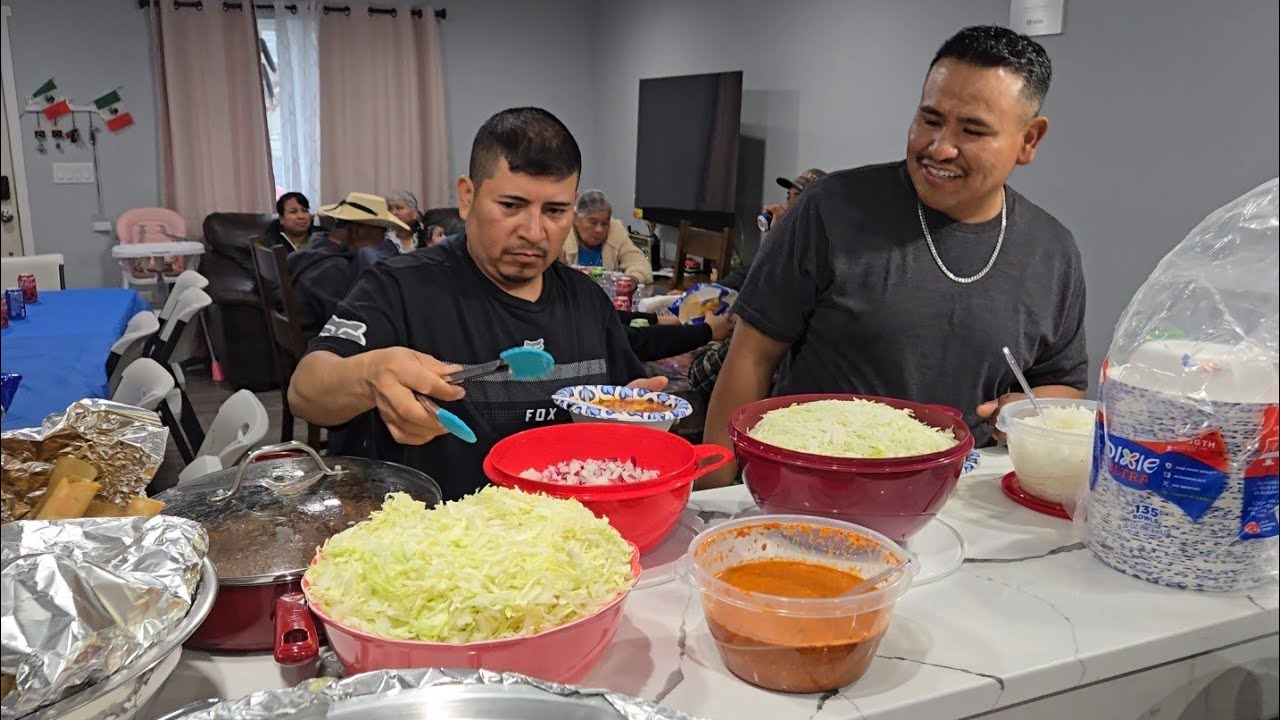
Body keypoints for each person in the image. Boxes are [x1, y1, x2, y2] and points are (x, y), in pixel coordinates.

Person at [702, 25, 1087, 487]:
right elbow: (751, 356)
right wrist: (715, 496)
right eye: (929, 119)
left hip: (958, 503)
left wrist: (1024, 413)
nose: (940, 147)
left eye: (973, 130)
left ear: (1029, 140)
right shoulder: (833, 207)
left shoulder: (1053, 251)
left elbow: (1060, 384)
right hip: (810, 492)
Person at [287, 107, 667, 500]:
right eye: (511, 206)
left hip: (565, 541)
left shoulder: (587, 301)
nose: (534, 232)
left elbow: (618, 406)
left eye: (555, 211)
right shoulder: (400, 287)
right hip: (438, 539)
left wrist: (630, 421)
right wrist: (371, 375)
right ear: (467, 197)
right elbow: (305, 392)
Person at [689, 168, 827, 400]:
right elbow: (742, 277)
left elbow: (703, 375)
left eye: (798, 199)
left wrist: (711, 337)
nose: (785, 207)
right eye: (788, 196)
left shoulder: (788, 289)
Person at [287, 191, 410, 340]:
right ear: (358, 230)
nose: (384, 236)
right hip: (320, 349)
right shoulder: (334, 268)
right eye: (382, 229)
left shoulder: (315, 247)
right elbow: (341, 327)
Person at [561, 190, 653, 283]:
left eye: (605, 223)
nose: (599, 230)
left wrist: (632, 280)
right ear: (576, 219)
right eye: (593, 222)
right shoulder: (561, 232)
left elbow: (640, 265)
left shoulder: (615, 230)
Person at [383, 189, 426, 254]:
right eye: (389, 209)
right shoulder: (381, 237)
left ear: (414, 213)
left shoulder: (425, 236)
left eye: (399, 208)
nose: (393, 213)